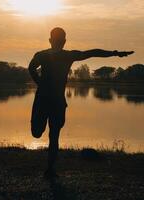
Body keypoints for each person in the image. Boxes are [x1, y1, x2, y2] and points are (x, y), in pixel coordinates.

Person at [28, 27, 134, 179]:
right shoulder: (55, 55)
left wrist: (39, 82)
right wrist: (115, 53)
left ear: (51, 40)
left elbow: (31, 68)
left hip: (53, 100)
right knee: (44, 134)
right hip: (49, 99)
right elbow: (93, 52)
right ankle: (50, 168)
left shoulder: (49, 55)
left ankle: (50, 169)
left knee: (52, 134)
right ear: (63, 41)